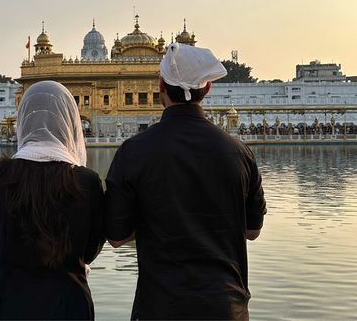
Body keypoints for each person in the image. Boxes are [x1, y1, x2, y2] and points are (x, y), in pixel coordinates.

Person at [105, 43, 267, 320]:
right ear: (207, 88)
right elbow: (252, 231)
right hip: (226, 307)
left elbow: (117, 236)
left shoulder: (134, 151)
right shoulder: (239, 152)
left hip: (160, 307)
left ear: (161, 87)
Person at [0, 81, 104, 320]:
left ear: (23, 119)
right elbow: (90, 249)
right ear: (70, 121)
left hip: (2, 304)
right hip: (67, 307)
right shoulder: (87, 181)